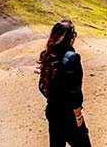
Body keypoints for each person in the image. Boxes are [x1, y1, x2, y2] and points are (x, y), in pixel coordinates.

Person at [38, 19, 92, 147]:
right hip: (68, 115)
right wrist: (78, 116)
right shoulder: (72, 58)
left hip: (52, 111)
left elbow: (42, 86)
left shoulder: (47, 55)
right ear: (70, 37)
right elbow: (74, 91)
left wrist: (53, 98)